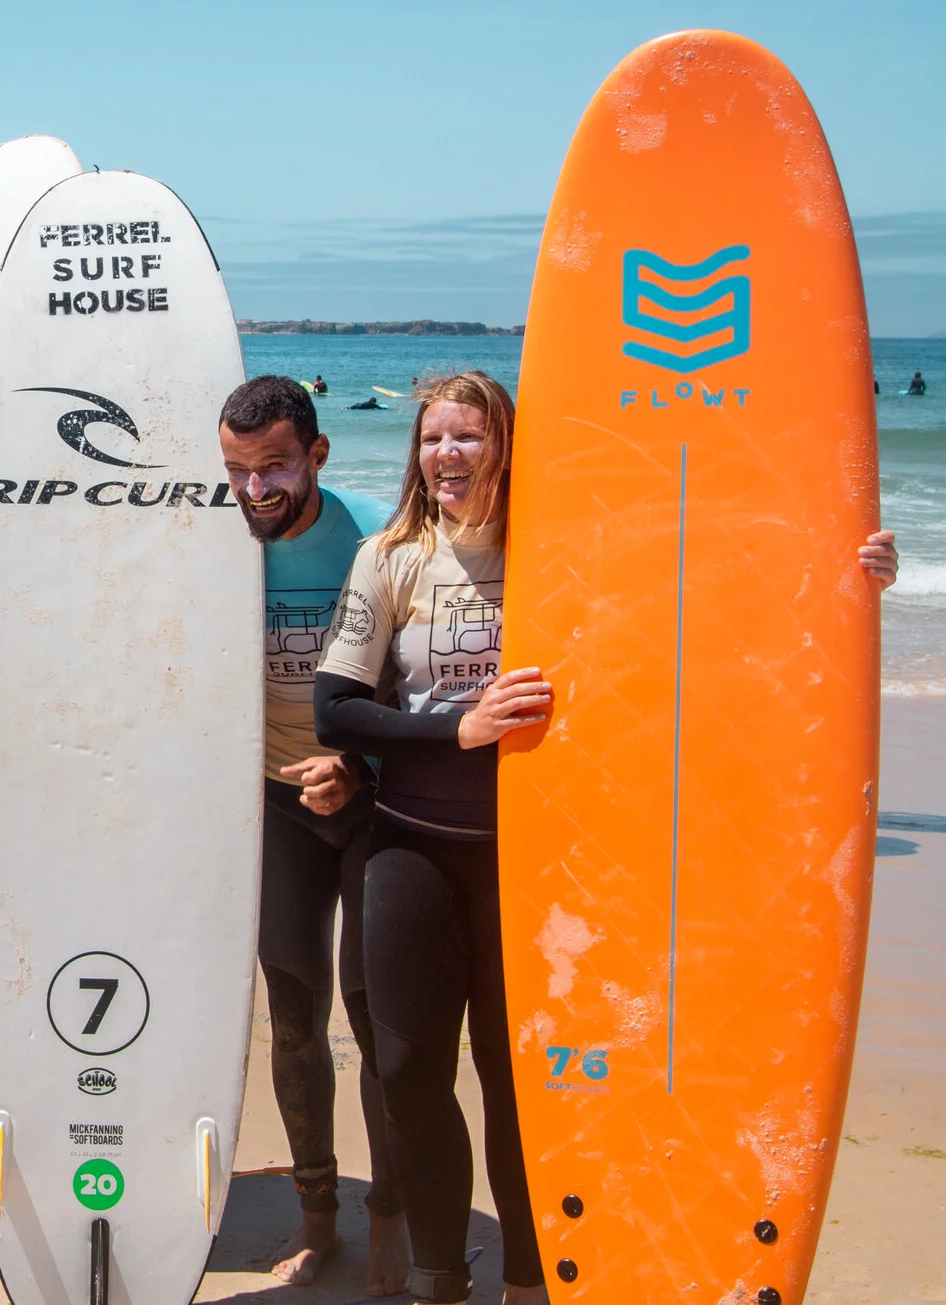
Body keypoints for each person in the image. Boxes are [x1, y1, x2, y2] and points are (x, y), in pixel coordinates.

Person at [305, 371, 898, 1305]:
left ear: (507, 447)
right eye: (432, 438)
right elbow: (335, 710)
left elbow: (717, 593)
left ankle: (530, 1281)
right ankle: (439, 1277)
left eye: (468, 436)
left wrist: (844, 567)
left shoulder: (569, 549)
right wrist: (458, 729)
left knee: (521, 1079)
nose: (447, 454)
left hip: (539, 855)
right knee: (407, 1069)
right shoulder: (391, 558)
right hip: (411, 844)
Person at [216, 376, 406, 1294]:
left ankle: (392, 1216)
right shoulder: (210, 544)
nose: (255, 489)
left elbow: (423, 674)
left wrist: (359, 765)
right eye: (237, 470)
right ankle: (318, 1215)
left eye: (276, 467)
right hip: (276, 805)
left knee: (380, 1025)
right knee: (295, 1022)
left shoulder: (378, 536)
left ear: (317, 455)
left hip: (376, 804)